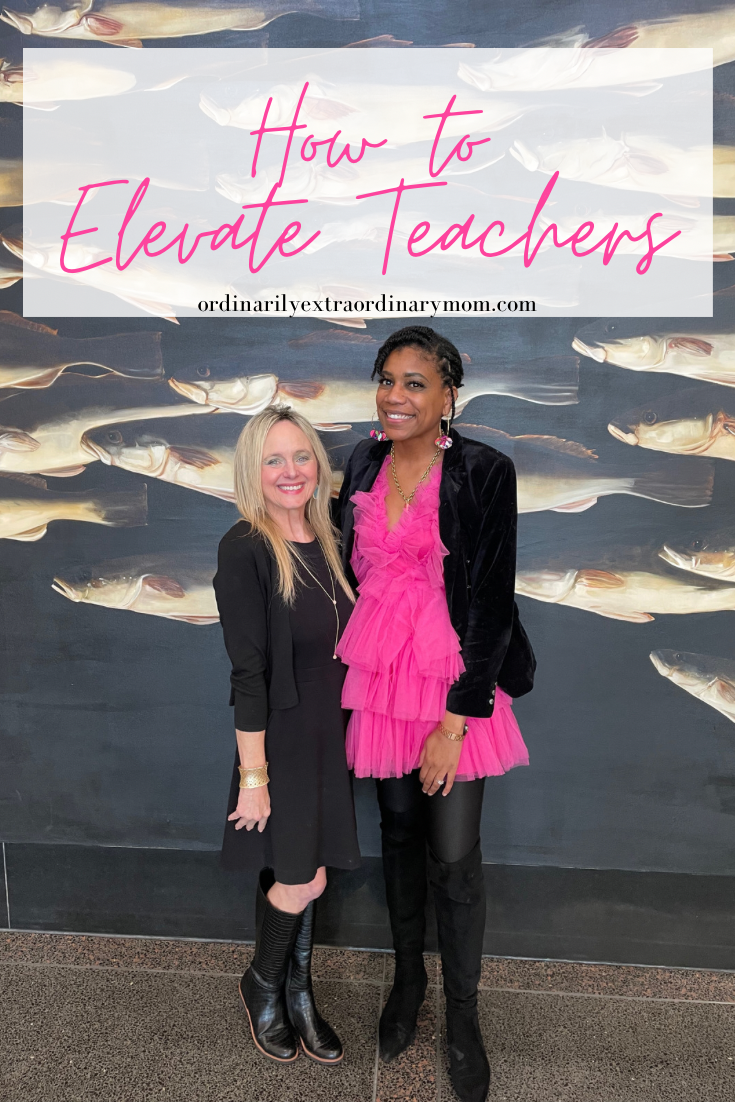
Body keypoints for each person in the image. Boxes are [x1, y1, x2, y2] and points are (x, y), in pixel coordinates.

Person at [334, 326, 535, 1102]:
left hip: (454, 686)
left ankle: (462, 1018)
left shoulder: (484, 470)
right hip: (382, 680)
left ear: (449, 394)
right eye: (386, 379)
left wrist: (455, 724)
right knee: (397, 834)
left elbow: (490, 604)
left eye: (414, 383)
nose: (395, 396)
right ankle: (407, 984)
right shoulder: (361, 462)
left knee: (452, 856)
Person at [213, 406, 360, 1066]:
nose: (290, 470)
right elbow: (247, 674)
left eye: (301, 456)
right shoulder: (244, 547)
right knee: (300, 881)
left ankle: (298, 995)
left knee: (308, 872)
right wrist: (254, 777)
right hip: (285, 739)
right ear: (253, 470)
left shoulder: (330, 537)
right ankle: (262, 982)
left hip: (333, 731)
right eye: (273, 459)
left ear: (318, 465)